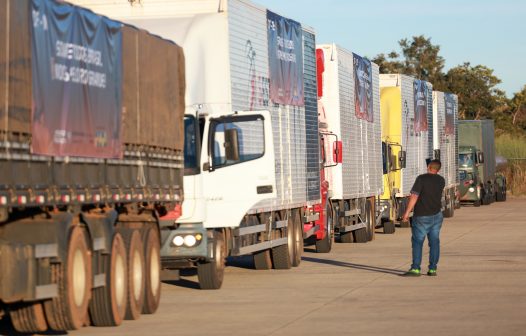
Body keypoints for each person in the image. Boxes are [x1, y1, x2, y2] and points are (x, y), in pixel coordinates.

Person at [401, 159, 445, 277]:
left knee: (417, 242)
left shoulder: (421, 179)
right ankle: (432, 269)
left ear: (429, 166)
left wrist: (406, 213)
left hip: (421, 216)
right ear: (438, 169)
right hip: (437, 215)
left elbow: (414, 196)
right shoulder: (441, 180)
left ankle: (415, 268)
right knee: (434, 242)